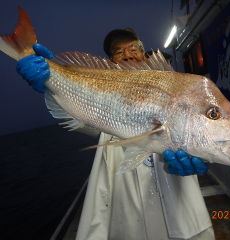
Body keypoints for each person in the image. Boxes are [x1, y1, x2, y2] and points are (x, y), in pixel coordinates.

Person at [16, 28, 215, 240]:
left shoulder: (178, 88)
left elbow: (204, 128)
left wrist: (205, 156)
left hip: (181, 220)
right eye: (119, 52)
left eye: (133, 48)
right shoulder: (103, 100)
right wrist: (50, 81)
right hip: (126, 222)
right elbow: (80, 119)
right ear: (111, 62)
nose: (128, 54)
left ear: (145, 53)